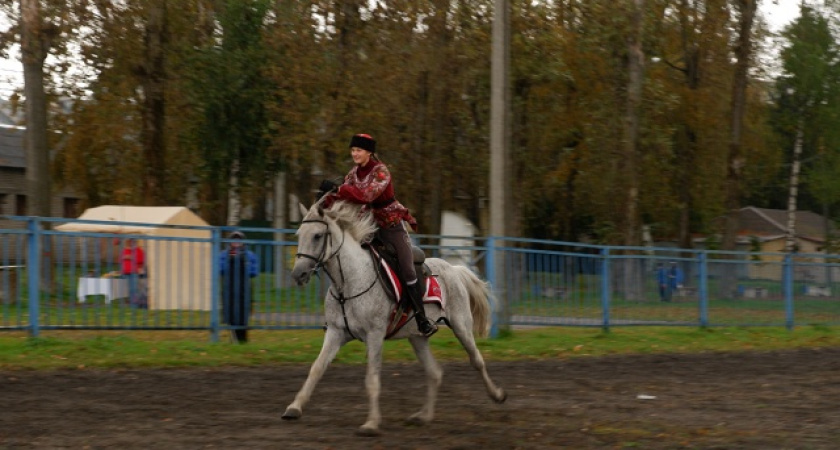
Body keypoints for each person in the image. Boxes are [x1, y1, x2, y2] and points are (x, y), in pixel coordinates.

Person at [319, 133, 437, 337]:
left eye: (359, 150)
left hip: (391, 227)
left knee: (408, 269)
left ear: (369, 152)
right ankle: (336, 316)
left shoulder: (381, 172)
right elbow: (343, 197)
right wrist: (325, 199)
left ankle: (421, 318)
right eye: (353, 150)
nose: (355, 154)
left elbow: (366, 195)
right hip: (367, 227)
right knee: (346, 261)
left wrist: (339, 189)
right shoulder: (353, 174)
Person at [218, 230, 259, 343]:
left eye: (239, 240)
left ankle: (242, 338)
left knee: (243, 312)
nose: (236, 243)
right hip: (229, 286)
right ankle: (234, 337)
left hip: (244, 287)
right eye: (234, 240)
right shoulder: (223, 255)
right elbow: (220, 269)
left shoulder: (250, 255)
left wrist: (242, 263)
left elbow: (254, 272)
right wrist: (231, 261)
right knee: (230, 311)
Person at [120, 238, 146, 307]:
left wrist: (131, 257)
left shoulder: (138, 250)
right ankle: (132, 304)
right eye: (128, 242)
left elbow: (141, 260)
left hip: (134, 272)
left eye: (132, 242)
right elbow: (120, 260)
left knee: (134, 289)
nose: (130, 243)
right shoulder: (125, 250)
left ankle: (135, 305)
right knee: (129, 290)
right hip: (125, 272)